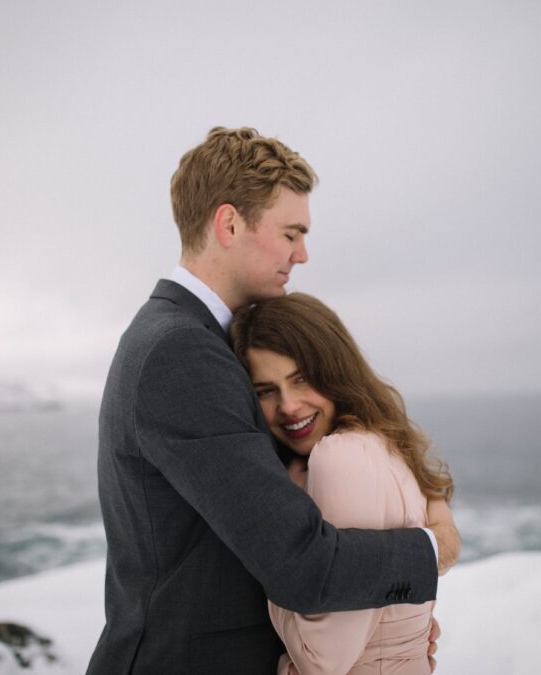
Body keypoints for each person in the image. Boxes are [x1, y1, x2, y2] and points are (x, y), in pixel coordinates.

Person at [86, 127, 460, 675]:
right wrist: (433, 549)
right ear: (229, 223)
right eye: (291, 232)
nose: (303, 254)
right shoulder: (182, 352)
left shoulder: (196, 340)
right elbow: (300, 564)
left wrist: (388, 627)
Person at [231, 292, 455, 674]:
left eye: (301, 379)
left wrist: (274, 552)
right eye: (266, 391)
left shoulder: (339, 458)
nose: (288, 406)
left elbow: (322, 659)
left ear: (334, 370)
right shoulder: (380, 443)